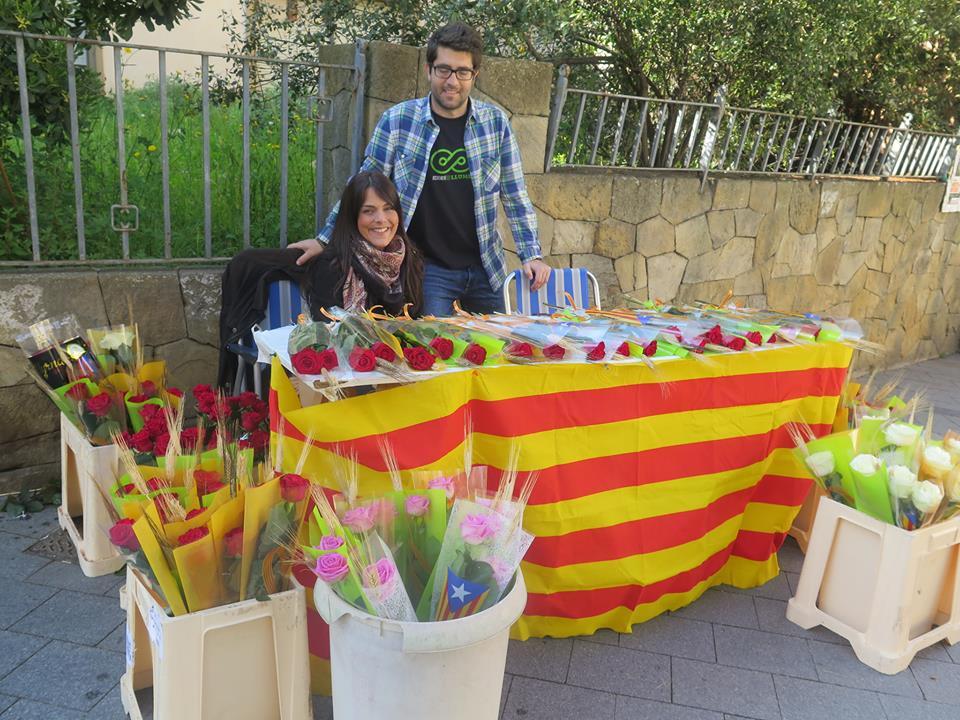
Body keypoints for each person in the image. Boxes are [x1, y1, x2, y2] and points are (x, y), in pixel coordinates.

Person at [289, 21, 550, 316]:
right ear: (429, 70)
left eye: (462, 72)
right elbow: (361, 187)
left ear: (474, 76)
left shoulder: (496, 124)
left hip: (485, 267)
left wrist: (532, 255)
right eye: (444, 69)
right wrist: (324, 239)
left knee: (496, 354)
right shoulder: (398, 120)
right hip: (428, 270)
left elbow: (515, 196)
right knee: (433, 354)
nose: (452, 81)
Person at [216, 171, 421, 386]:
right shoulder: (334, 265)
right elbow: (330, 332)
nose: (381, 219)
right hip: (344, 377)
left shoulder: (409, 260)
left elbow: (410, 323)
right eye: (368, 211)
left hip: (396, 375)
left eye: (388, 208)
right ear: (352, 217)